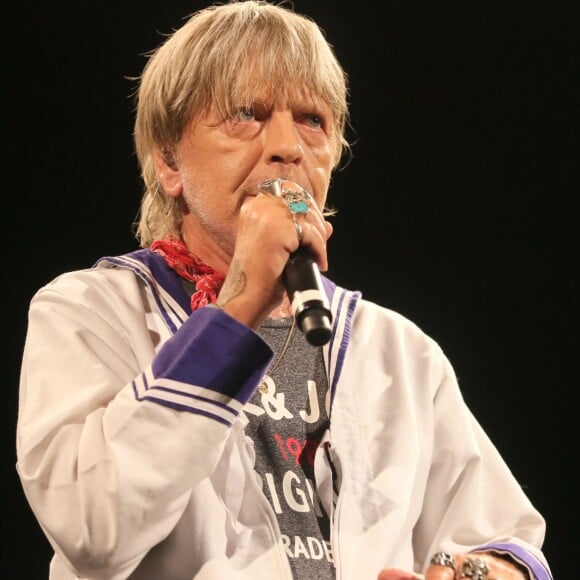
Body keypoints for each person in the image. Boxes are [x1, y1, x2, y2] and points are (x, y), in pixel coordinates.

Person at [16, 1, 552, 579]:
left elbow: (505, 540)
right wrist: (241, 304)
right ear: (168, 160)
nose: (287, 147)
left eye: (311, 121)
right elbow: (93, 528)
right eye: (247, 114)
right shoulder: (90, 312)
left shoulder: (397, 350)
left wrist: (481, 572)